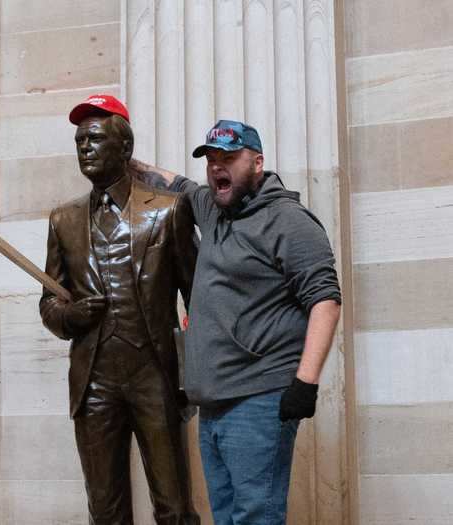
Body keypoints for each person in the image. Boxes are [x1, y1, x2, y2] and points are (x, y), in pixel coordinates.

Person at [130, 120, 342, 524]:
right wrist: (128, 162)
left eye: (228, 158)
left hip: (259, 398)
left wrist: (305, 383)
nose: (216, 167)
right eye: (211, 159)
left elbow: (326, 300)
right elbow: (178, 185)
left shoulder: (288, 220)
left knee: (255, 516)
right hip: (213, 404)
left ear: (257, 162)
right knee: (227, 517)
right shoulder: (215, 210)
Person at [39, 94, 200, 524]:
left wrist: (197, 374)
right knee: (105, 510)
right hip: (94, 382)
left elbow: (199, 298)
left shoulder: (168, 211)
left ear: (124, 148)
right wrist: (68, 317)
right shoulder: (63, 220)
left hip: (156, 377)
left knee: (174, 506)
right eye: (78, 142)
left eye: (93, 139)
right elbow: (49, 301)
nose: (84, 149)